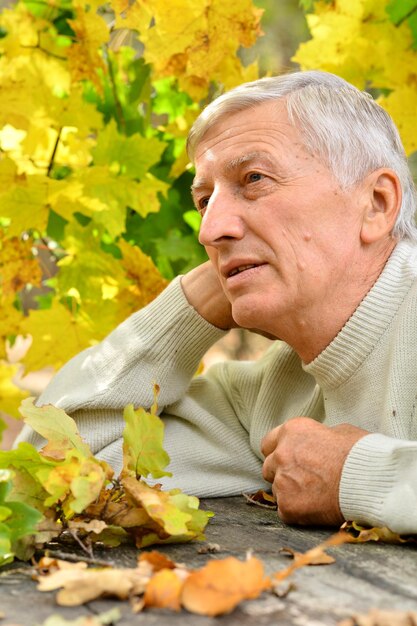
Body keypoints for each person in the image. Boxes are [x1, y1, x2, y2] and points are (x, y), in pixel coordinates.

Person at [16, 70, 417, 533]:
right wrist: (187, 310)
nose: (211, 230)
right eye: (204, 201)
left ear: (377, 203)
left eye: (254, 179)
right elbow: (44, 480)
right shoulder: (266, 395)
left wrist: (356, 475)